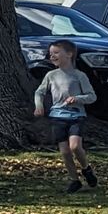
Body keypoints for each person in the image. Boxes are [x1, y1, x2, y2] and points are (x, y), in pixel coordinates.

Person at [35, 39, 99, 192]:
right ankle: (74, 180)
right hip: (57, 116)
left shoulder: (79, 76)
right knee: (64, 151)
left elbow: (92, 96)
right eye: (50, 54)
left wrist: (77, 99)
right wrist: (39, 106)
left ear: (69, 54)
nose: (52, 56)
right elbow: (39, 92)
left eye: (56, 53)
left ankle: (86, 169)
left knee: (75, 146)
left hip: (76, 116)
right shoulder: (51, 75)